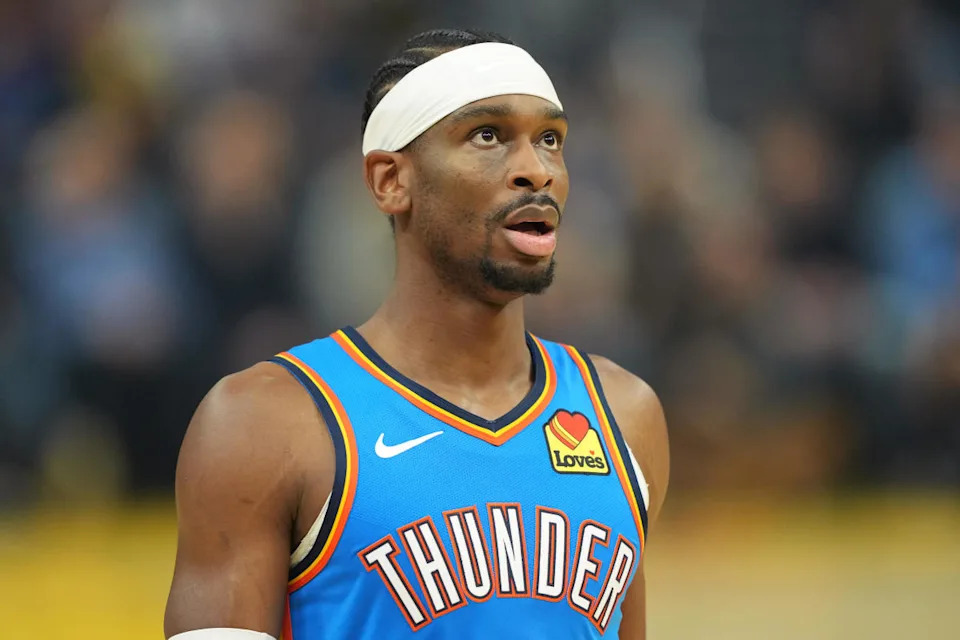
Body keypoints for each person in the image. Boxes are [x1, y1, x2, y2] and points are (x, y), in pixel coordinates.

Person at [164, 28, 669, 640]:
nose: (535, 170)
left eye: (550, 140)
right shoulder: (265, 421)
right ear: (389, 181)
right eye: (488, 136)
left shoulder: (624, 414)